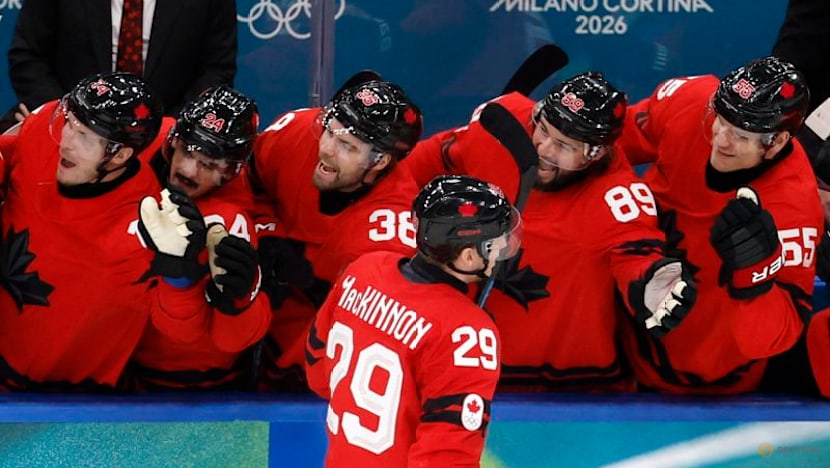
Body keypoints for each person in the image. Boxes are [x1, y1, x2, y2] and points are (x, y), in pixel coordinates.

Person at [401, 72, 697, 392]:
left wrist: (650, 283)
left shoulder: (617, 197)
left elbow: (636, 255)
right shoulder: (503, 125)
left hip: (580, 389)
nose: (542, 147)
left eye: (563, 145)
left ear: (594, 152)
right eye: (543, 129)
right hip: (472, 369)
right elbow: (414, 168)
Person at [614, 56, 822, 394]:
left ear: (777, 142)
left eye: (740, 135)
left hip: (713, 382)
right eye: (721, 121)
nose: (721, 140)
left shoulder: (793, 209)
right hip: (615, 338)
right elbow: (605, 143)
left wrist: (756, 276)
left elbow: (770, 340)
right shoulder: (691, 102)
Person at [305, 174, 520, 466]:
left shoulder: (363, 269)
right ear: (469, 257)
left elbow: (319, 373)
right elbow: (446, 458)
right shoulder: (467, 332)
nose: (505, 247)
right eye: (497, 241)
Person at [251, 78, 423, 390]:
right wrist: (265, 231)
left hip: (316, 359)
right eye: (330, 131)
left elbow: (364, 334)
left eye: (347, 146)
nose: (326, 150)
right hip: (254, 318)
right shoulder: (298, 131)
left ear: (379, 161)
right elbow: (240, 180)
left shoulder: (389, 229)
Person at [0, 72, 163, 391]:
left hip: (72, 404)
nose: (66, 141)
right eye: (70, 122)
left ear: (120, 155)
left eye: (86, 136)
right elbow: (7, 152)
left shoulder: (145, 227)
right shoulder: (43, 126)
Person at [130, 85, 271, 390]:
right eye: (189, 151)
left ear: (230, 172)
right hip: (121, 369)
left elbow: (229, 339)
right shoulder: (142, 141)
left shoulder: (231, 222)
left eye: (208, 164)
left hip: (199, 389)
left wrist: (238, 300)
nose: (189, 171)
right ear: (174, 141)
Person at [6, 0, 237, 127]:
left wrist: (172, 129)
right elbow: (29, 56)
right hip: (70, 123)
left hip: (165, 136)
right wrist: (65, 117)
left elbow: (216, 69)